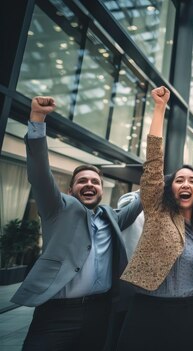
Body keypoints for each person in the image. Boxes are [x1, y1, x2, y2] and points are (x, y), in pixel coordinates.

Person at [12, 96, 143, 351]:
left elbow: (142, 199)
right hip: (55, 314)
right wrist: (38, 119)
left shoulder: (112, 216)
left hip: (99, 312)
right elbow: (39, 172)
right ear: (70, 190)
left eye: (95, 182)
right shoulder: (57, 208)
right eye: (82, 181)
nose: (89, 185)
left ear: (101, 191)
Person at [116, 86, 193, 350]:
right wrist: (159, 108)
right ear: (170, 188)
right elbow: (154, 162)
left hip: (186, 313)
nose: (186, 184)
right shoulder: (157, 210)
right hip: (147, 309)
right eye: (179, 180)